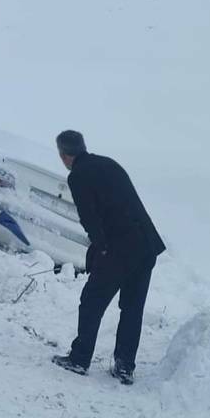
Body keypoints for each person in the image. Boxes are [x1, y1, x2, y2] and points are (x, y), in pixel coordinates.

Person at [51, 130, 166, 385]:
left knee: (92, 300)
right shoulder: (109, 164)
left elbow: (88, 216)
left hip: (119, 247)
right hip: (146, 244)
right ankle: (124, 367)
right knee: (132, 307)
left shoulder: (78, 175)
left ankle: (79, 359)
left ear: (64, 155)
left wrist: (101, 247)